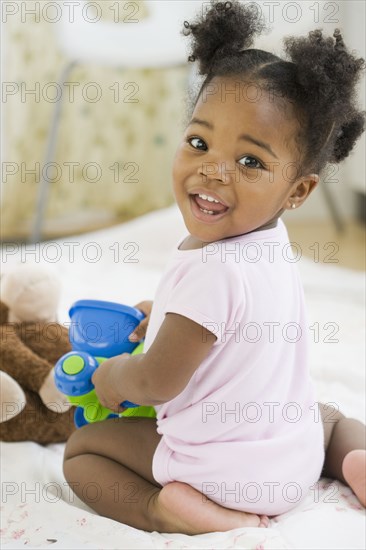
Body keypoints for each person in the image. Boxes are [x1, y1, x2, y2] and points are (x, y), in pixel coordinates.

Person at [63, 0, 366, 535]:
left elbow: (155, 381)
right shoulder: (271, 239)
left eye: (250, 162)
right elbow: (236, 322)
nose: (214, 170)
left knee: (84, 451)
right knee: (330, 418)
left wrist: (113, 377)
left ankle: (170, 510)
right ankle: (354, 459)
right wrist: (165, 317)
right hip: (290, 461)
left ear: (298, 190)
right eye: (199, 142)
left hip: (220, 473)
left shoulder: (210, 273)